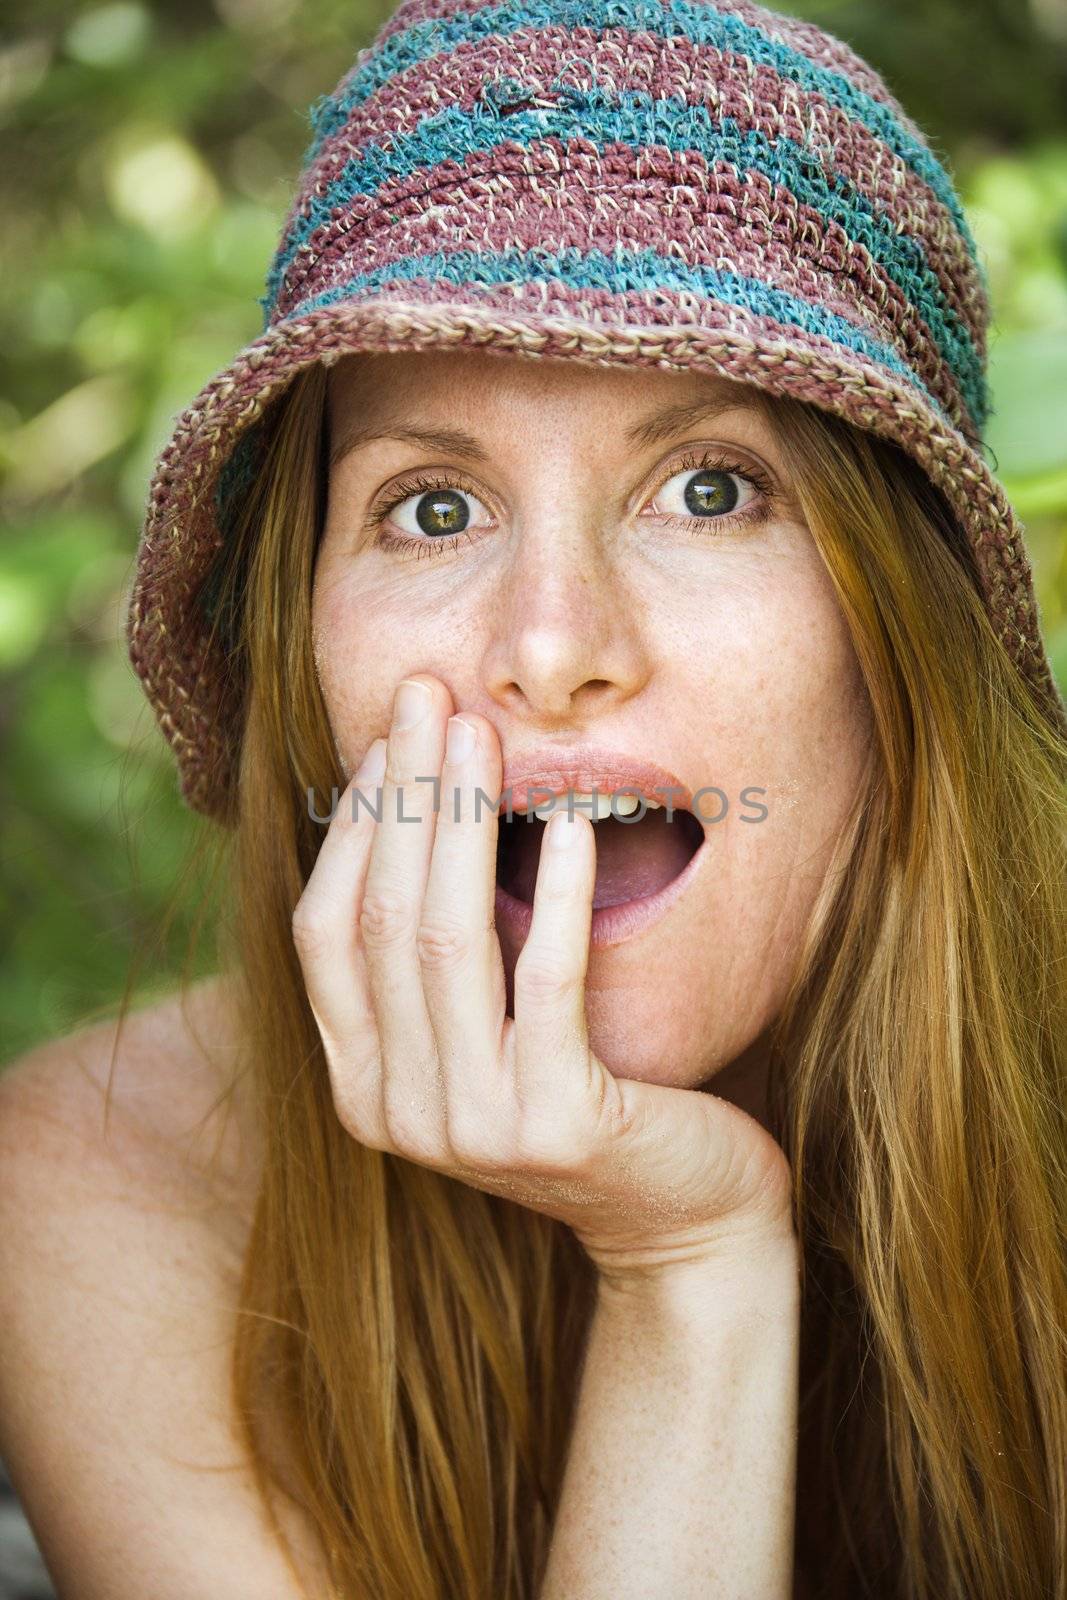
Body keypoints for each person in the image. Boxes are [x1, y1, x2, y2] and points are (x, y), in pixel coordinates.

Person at [1, 0, 1065, 1596]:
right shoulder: (104, 1177)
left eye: (713, 489)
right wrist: (685, 1264)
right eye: (432, 508)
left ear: (899, 636)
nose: (554, 647)